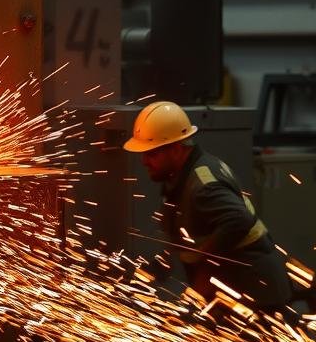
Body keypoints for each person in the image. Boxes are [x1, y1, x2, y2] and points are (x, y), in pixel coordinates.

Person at [124, 100, 292, 313]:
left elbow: (238, 220)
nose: (144, 161)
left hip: (254, 294)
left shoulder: (203, 184)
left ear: (176, 148)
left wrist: (204, 260)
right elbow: (188, 232)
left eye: (152, 153)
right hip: (234, 292)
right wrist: (156, 268)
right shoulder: (183, 177)